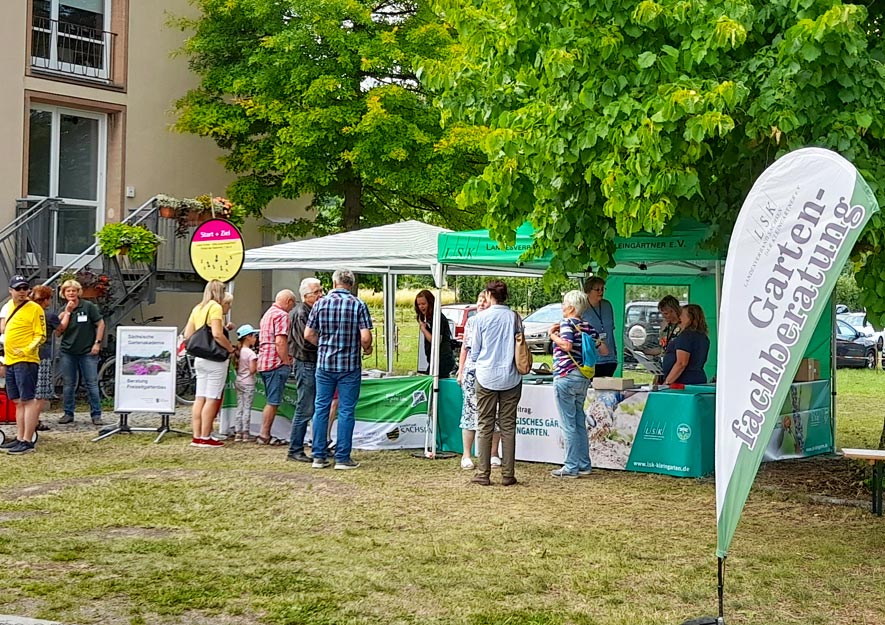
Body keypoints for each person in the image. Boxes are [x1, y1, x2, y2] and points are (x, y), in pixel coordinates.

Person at [305, 269, 373, 470]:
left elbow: (308, 334)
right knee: (346, 411)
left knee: (321, 408)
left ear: (334, 283)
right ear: (350, 284)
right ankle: (342, 458)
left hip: (324, 364)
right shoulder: (358, 304)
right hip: (349, 365)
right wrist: (366, 348)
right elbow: (366, 337)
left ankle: (318, 455)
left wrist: (324, 345)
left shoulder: (320, 303)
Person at [468, 280, 521, 486]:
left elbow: (474, 351)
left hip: (486, 376)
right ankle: (508, 474)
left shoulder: (480, 318)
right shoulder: (515, 317)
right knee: (508, 426)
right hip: (511, 376)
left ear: (489, 295)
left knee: (484, 424)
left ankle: (483, 473)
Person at [548, 290, 599, 478]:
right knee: (579, 422)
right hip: (583, 377)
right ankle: (584, 464)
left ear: (570, 307)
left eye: (563, 304)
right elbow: (602, 347)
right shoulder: (588, 326)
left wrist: (552, 335)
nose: (562, 307)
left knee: (568, 424)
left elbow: (567, 345)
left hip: (565, 375)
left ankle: (570, 467)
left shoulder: (566, 324)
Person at [183, 280, 237, 447]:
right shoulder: (215, 307)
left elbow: (187, 334)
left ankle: (197, 435)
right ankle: (206, 436)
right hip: (215, 360)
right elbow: (217, 334)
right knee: (212, 397)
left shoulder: (197, 308)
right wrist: (230, 349)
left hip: (200, 358)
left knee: (200, 397)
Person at [0, 276, 46, 454]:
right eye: (18, 289)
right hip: (10, 359)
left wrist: (27, 350)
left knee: (27, 400)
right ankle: (19, 437)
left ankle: (27, 440)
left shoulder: (35, 309)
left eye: (24, 288)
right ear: (11, 290)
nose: (21, 292)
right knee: (18, 401)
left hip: (26, 360)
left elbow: (40, 335)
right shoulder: (9, 306)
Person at [455, 290, 498, 470]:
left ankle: (494, 453)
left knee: (494, 413)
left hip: (491, 371)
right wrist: (461, 371)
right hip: (472, 372)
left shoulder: (496, 321)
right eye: (479, 300)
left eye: (485, 300)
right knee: (469, 412)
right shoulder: (472, 322)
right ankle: (466, 454)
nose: (481, 303)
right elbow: (465, 347)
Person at [55, 278, 105, 425]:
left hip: (87, 352)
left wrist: (97, 343)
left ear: (78, 292)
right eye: (68, 290)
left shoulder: (88, 306)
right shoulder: (62, 310)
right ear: (63, 293)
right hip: (68, 352)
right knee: (69, 384)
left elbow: (101, 323)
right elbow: (58, 333)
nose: (71, 293)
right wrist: (67, 313)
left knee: (91, 383)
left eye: (73, 290)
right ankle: (68, 413)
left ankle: (96, 414)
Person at [287, 278, 323, 462]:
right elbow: (306, 341)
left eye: (320, 291)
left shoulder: (310, 310)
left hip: (310, 362)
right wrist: (325, 346)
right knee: (305, 407)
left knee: (313, 407)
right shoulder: (302, 313)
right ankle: (295, 449)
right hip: (305, 362)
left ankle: (316, 446)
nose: (320, 295)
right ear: (305, 296)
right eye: (316, 292)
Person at [256, 289, 296, 446]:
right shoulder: (282, 315)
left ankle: (264, 433)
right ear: (288, 301)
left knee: (270, 399)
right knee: (273, 401)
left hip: (264, 362)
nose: (292, 308)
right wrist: (286, 360)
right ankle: (264, 434)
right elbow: (280, 341)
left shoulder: (268, 313)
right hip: (275, 363)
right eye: (292, 304)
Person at [30, 286, 60, 431]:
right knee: (40, 393)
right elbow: (61, 329)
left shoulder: (27, 311)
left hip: (27, 355)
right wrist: (67, 313)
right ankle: (34, 422)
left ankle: (30, 420)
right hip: (43, 355)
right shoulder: (48, 315)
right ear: (46, 299)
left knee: (29, 392)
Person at [661, 304, 710, 386]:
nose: (679, 317)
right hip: (697, 379)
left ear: (690, 318)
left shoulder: (686, 336)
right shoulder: (702, 336)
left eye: (682, 315)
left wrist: (667, 383)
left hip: (682, 382)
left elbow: (681, 363)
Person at [415, 289, 456, 378]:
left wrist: (423, 329)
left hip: (443, 359)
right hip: (434, 359)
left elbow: (435, 341)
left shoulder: (438, 318)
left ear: (430, 303)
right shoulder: (426, 317)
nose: (421, 307)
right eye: (419, 304)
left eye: (423, 304)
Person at [582, 277, 618, 377]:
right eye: (597, 289)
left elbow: (610, 330)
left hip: (610, 359)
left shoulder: (607, 305)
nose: (601, 292)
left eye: (602, 289)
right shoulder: (582, 308)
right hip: (591, 360)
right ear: (588, 291)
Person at [233, 324, 259, 442]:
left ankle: (238, 432)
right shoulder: (251, 354)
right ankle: (245, 433)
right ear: (248, 337)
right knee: (247, 407)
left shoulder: (239, 352)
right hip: (248, 382)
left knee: (240, 407)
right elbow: (253, 369)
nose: (255, 338)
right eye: (254, 336)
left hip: (239, 381)